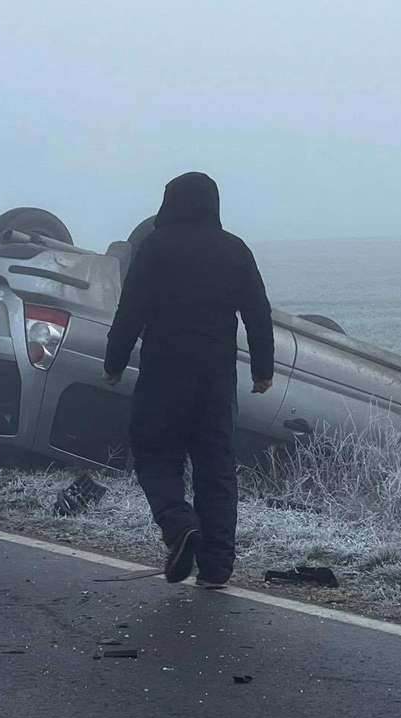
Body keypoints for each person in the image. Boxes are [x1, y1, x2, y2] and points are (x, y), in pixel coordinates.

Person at [103, 172, 274, 588]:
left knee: (155, 455)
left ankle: (180, 527)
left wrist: (114, 362)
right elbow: (257, 312)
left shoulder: (155, 248)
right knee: (215, 467)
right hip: (215, 378)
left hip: (164, 371)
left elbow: (131, 311)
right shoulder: (235, 249)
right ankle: (216, 568)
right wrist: (262, 370)